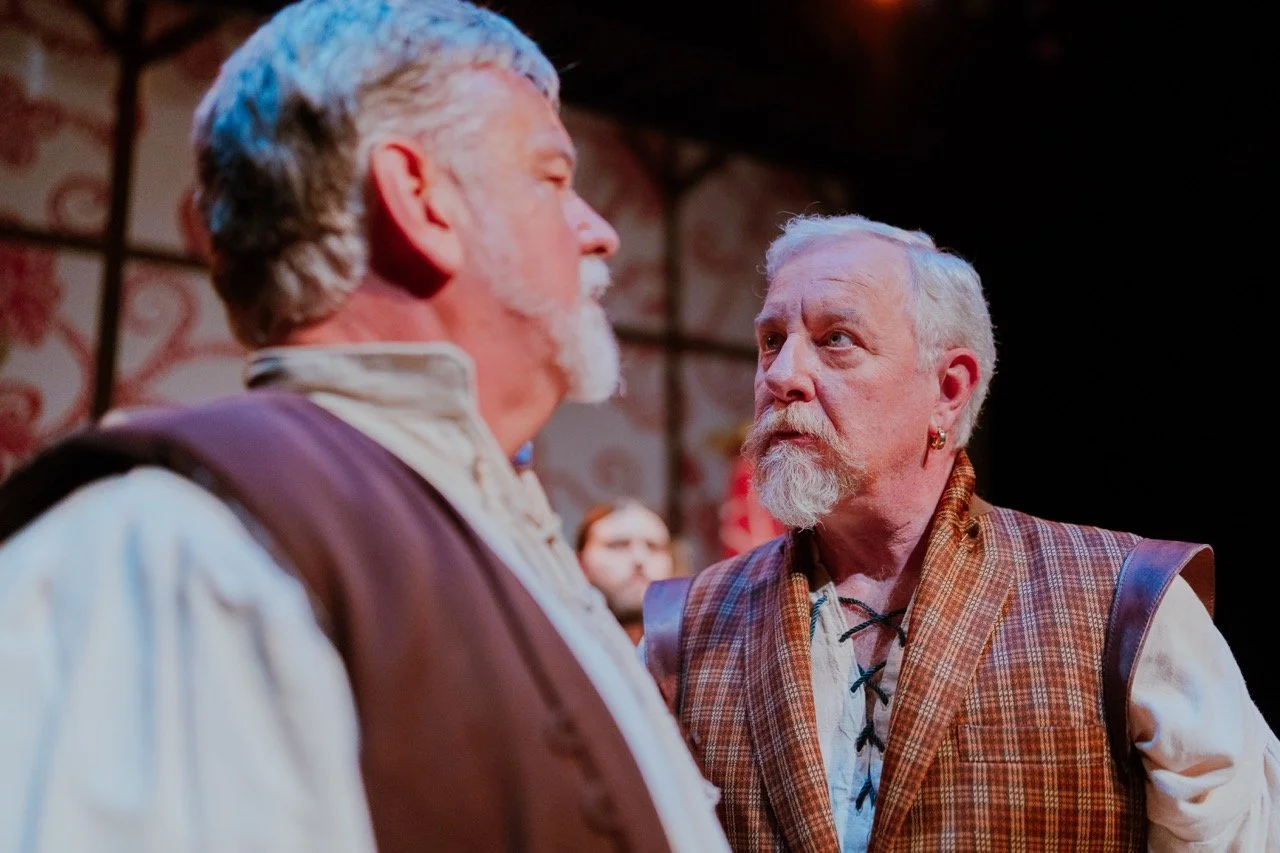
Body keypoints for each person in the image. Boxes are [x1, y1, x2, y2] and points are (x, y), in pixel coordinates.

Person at [0, 2, 731, 851]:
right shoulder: (178, 553)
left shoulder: (509, 540)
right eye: (552, 177)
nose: (599, 231)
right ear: (419, 199)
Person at [642, 212, 1279, 851]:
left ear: (948, 390)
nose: (782, 377)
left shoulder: (1128, 601)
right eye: (773, 340)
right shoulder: (685, 627)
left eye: (836, 339)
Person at [576, 498, 678, 644]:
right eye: (618, 545)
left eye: (653, 546)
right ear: (580, 563)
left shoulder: (698, 656)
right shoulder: (558, 647)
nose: (639, 558)